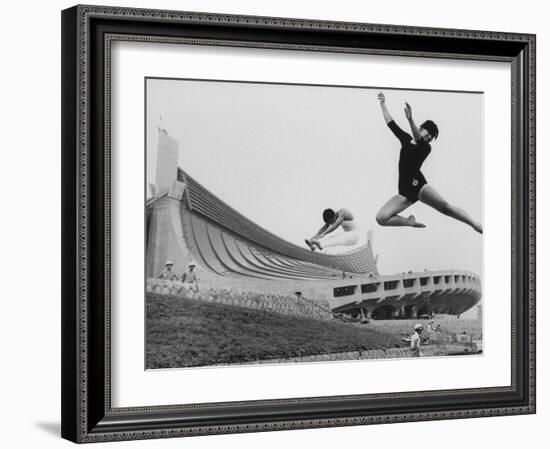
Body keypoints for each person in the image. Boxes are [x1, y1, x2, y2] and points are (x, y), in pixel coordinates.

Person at [375, 92, 483, 234]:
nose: (429, 136)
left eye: (431, 136)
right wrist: (383, 104)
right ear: (422, 128)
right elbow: (391, 123)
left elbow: (418, 138)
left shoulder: (426, 147)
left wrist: (410, 119)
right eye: (429, 132)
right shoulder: (406, 139)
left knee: (445, 207)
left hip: (419, 186)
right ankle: (409, 222)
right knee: (381, 218)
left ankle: (474, 224)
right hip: (404, 192)